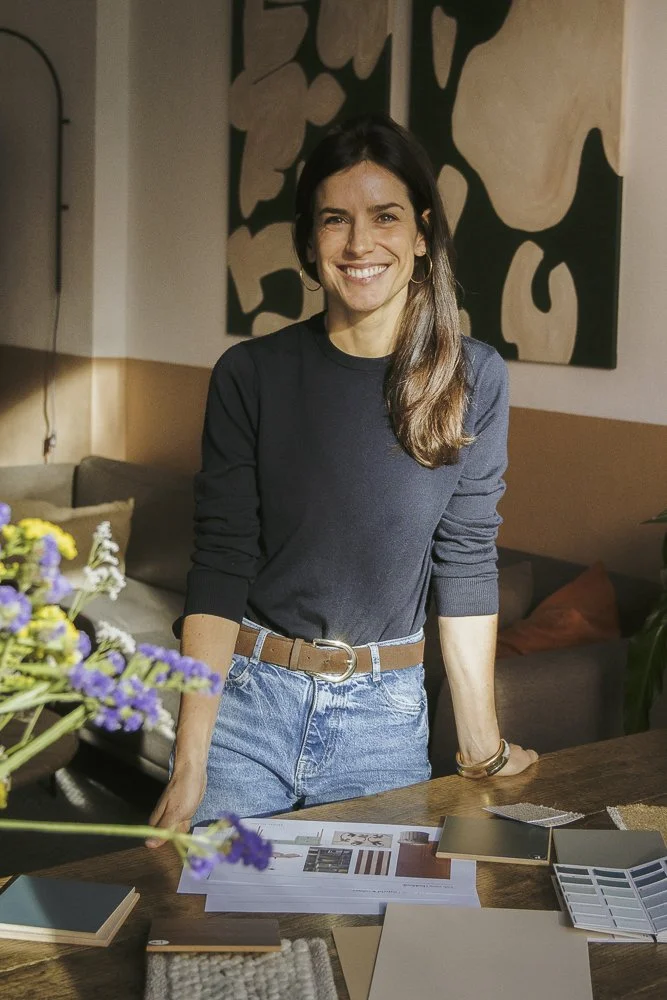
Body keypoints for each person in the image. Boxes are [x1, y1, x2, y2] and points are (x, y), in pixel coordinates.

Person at [147, 112, 537, 846]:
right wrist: (190, 757)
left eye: (384, 217)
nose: (359, 244)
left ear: (421, 233)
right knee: (217, 939)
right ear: (308, 239)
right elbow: (221, 562)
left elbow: (465, 560)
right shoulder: (249, 375)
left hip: (383, 722)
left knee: (376, 941)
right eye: (335, 220)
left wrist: (481, 745)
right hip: (247, 708)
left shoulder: (472, 376)